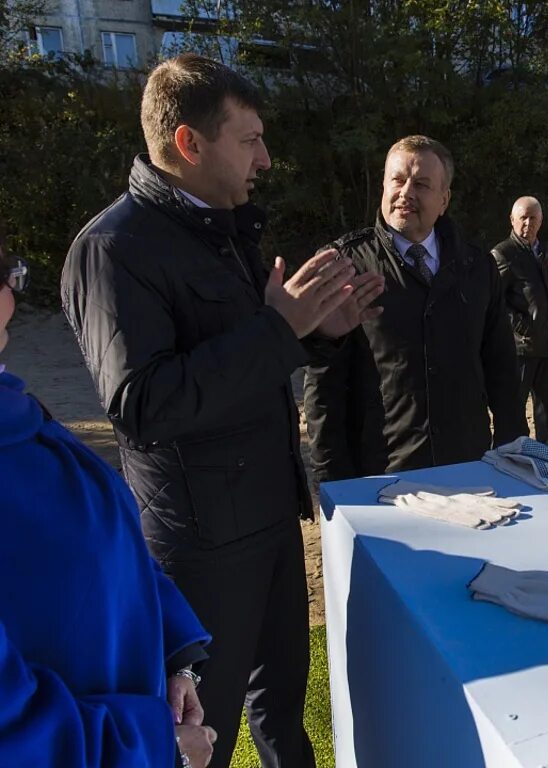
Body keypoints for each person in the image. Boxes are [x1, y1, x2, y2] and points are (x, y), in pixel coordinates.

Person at [60, 55, 384, 768]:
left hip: (268, 523)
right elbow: (142, 404)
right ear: (188, 144)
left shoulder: (224, 228)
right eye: (250, 140)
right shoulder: (113, 250)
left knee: (282, 717)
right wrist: (278, 329)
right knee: (200, 739)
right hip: (201, 553)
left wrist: (318, 339)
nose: (266, 159)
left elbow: (252, 367)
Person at [0, 247, 216, 768]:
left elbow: (101, 539)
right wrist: (154, 749)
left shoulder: (14, 405)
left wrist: (174, 651)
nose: (11, 289)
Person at [303, 135, 526, 478]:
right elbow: (324, 385)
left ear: (444, 199)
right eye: (397, 179)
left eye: (421, 184)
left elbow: (501, 367)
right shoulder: (344, 265)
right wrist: (331, 478)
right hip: (383, 471)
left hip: (468, 464)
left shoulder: (477, 267)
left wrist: (512, 446)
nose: (406, 192)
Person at [491, 196, 548, 446]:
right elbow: (494, 301)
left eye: (533, 217)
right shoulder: (503, 254)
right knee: (513, 408)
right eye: (523, 217)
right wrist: (520, 327)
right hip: (520, 347)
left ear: (541, 220)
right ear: (512, 220)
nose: (528, 223)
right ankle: (510, 451)